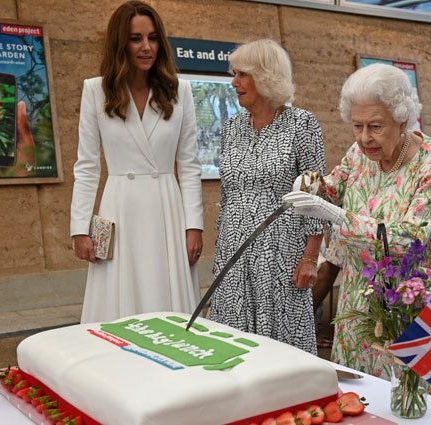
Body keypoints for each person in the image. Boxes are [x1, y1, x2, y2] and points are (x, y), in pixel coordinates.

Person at [284, 63, 431, 378]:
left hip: (407, 302)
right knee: (357, 395)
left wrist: (336, 215)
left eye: (376, 126)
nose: (364, 138)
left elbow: (409, 239)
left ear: (402, 119)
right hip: (357, 299)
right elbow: (332, 187)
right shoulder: (360, 152)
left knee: (405, 400)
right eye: (357, 126)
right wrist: (307, 183)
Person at [70, 1, 203, 323]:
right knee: (119, 305)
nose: (146, 47)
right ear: (120, 43)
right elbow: (86, 166)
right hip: (120, 208)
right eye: (136, 39)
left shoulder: (179, 91)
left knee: (168, 300)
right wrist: (79, 228)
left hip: (167, 210)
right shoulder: (96, 91)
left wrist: (193, 225)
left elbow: (189, 165)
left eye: (153, 38)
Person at [207, 39, 327, 355]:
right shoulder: (232, 127)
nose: (235, 83)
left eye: (242, 75)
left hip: (281, 252)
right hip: (234, 249)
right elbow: (227, 191)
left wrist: (311, 257)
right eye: (235, 74)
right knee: (233, 341)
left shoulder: (303, 124)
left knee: (281, 344)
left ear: (265, 76)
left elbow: (314, 193)